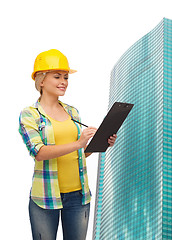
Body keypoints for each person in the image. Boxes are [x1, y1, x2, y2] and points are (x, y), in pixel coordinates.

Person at [18, 49, 117, 240]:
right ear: (41, 80)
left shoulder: (72, 112)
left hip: (78, 197)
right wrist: (78, 143)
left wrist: (101, 143)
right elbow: (39, 152)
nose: (63, 81)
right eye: (57, 76)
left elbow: (79, 154)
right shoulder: (30, 114)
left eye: (65, 77)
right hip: (46, 198)